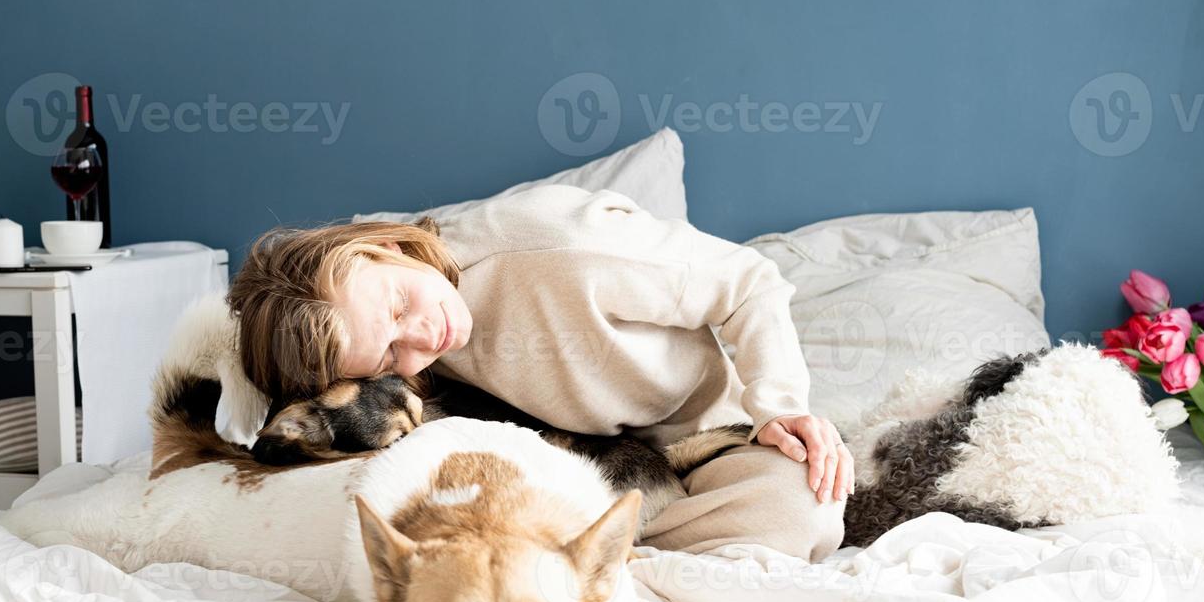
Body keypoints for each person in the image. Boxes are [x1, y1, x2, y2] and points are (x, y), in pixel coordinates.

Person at [227, 185, 849, 561]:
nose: (421, 340)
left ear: (385, 247)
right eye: (389, 354)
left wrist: (780, 405)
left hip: (699, 436)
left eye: (396, 306)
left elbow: (748, 282)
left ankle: (601, 567)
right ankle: (591, 569)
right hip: (579, 465)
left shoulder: (564, 247)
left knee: (804, 508)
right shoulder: (389, 355)